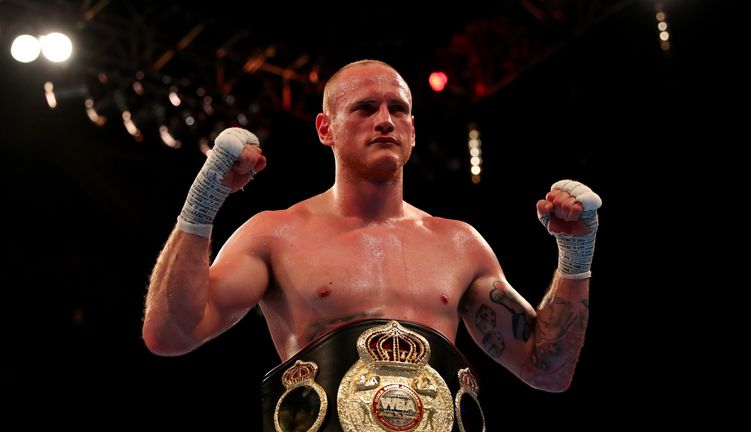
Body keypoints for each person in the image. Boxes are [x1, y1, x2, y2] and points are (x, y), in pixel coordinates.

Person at [142, 59, 601, 431]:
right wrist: (203, 202)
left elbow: (547, 370)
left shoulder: (459, 244)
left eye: (397, 109)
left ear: (413, 130)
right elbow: (169, 334)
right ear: (326, 129)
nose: (384, 121)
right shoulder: (274, 234)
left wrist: (575, 255)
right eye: (364, 108)